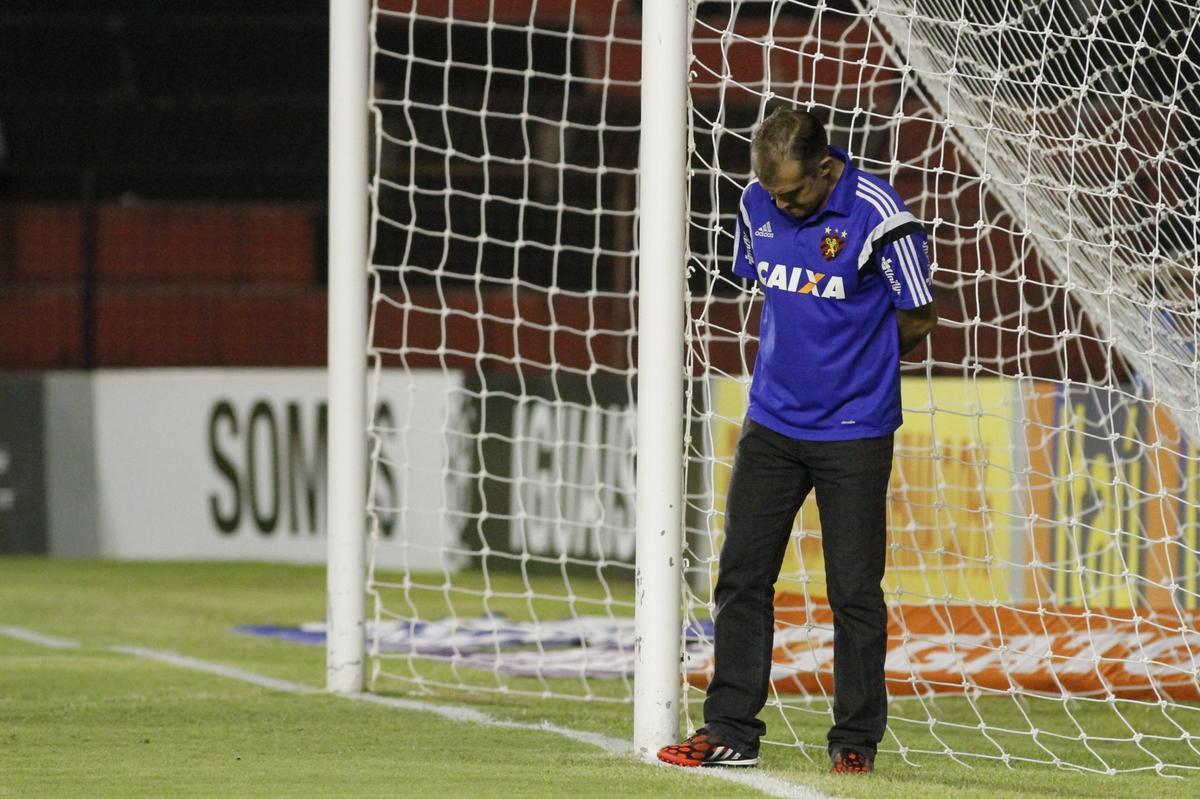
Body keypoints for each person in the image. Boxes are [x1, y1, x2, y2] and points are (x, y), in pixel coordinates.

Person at [658, 107, 938, 773]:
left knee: (853, 592)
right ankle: (729, 730)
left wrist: (858, 370)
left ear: (825, 166)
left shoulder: (880, 213)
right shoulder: (754, 201)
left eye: (794, 192)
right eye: (773, 193)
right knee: (742, 578)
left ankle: (854, 744)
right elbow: (767, 285)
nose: (781, 203)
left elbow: (920, 314)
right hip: (771, 425)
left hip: (854, 432)